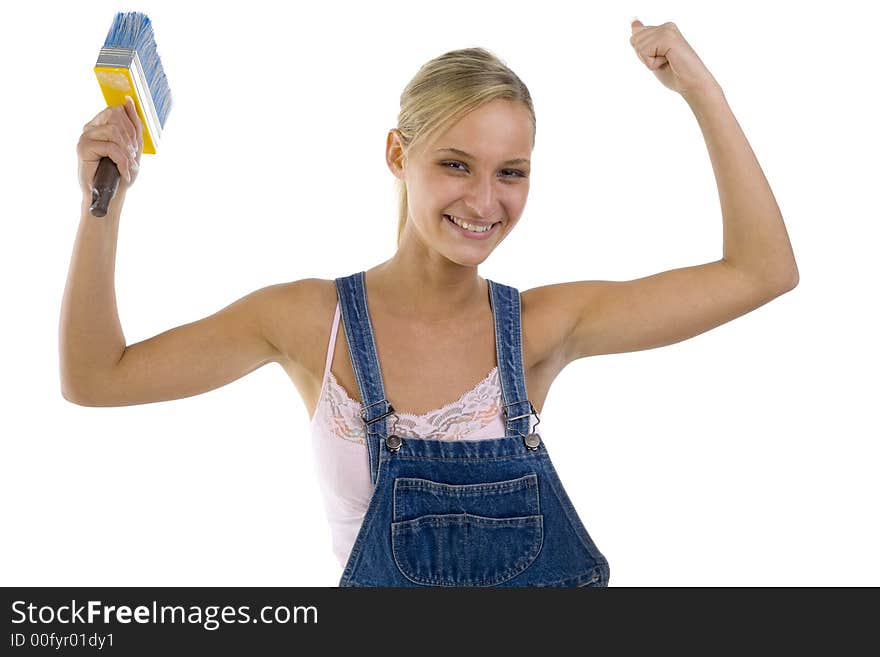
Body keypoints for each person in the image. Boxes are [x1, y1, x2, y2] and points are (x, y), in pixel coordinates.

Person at [60, 20, 799, 586]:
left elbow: (763, 270)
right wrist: (105, 201)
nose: (484, 201)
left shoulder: (542, 327)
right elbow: (98, 376)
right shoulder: (310, 323)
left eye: (511, 172)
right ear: (396, 155)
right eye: (455, 164)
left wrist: (704, 89)